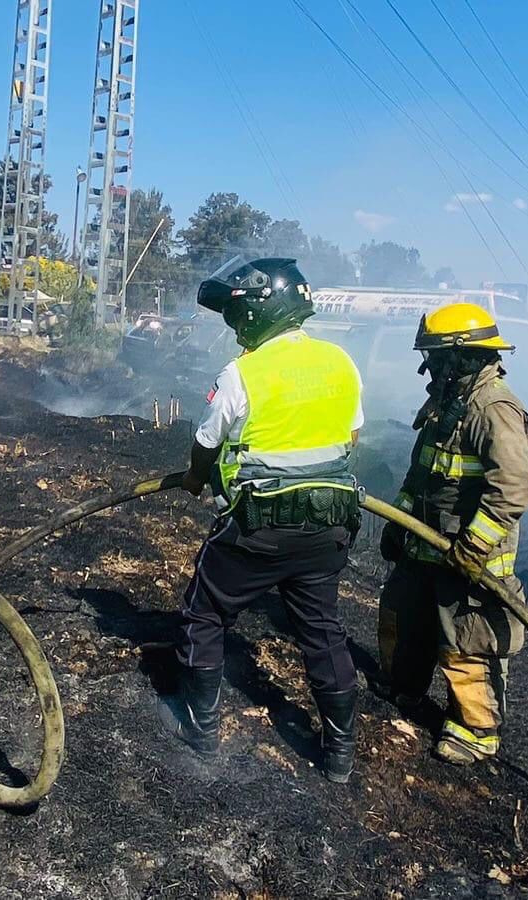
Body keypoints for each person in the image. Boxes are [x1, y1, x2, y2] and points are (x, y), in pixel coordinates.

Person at [160, 256, 365, 783]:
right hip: (331, 522)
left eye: (236, 315)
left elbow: (206, 442)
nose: (234, 327)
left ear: (257, 312)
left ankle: (200, 734)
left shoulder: (243, 371)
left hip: (259, 526)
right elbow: (351, 438)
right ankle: (340, 756)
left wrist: (194, 477)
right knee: (321, 628)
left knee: (205, 615)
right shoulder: (341, 361)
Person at [376, 303, 528, 766]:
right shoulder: (449, 401)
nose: (429, 367)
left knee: (466, 640)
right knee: (403, 618)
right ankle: (403, 688)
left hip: (468, 558)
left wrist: (474, 546)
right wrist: (397, 521)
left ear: (461, 357)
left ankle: (475, 729)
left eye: (436, 358)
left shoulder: (494, 408)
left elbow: (514, 489)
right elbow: (422, 473)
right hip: (423, 546)